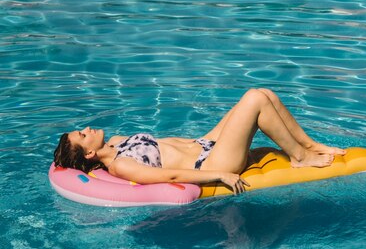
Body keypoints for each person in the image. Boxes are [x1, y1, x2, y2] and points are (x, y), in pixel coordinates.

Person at [53, 88, 346, 195]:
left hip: (205, 144)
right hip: (210, 162)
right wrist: (219, 174)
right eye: (82, 135)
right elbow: (171, 174)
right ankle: (299, 157)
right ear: (89, 153)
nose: (87, 128)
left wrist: (210, 138)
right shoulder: (121, 167)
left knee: (263, 92)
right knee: (254, 101)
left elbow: (170, 143)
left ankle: (308, 146)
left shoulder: (117, 141)